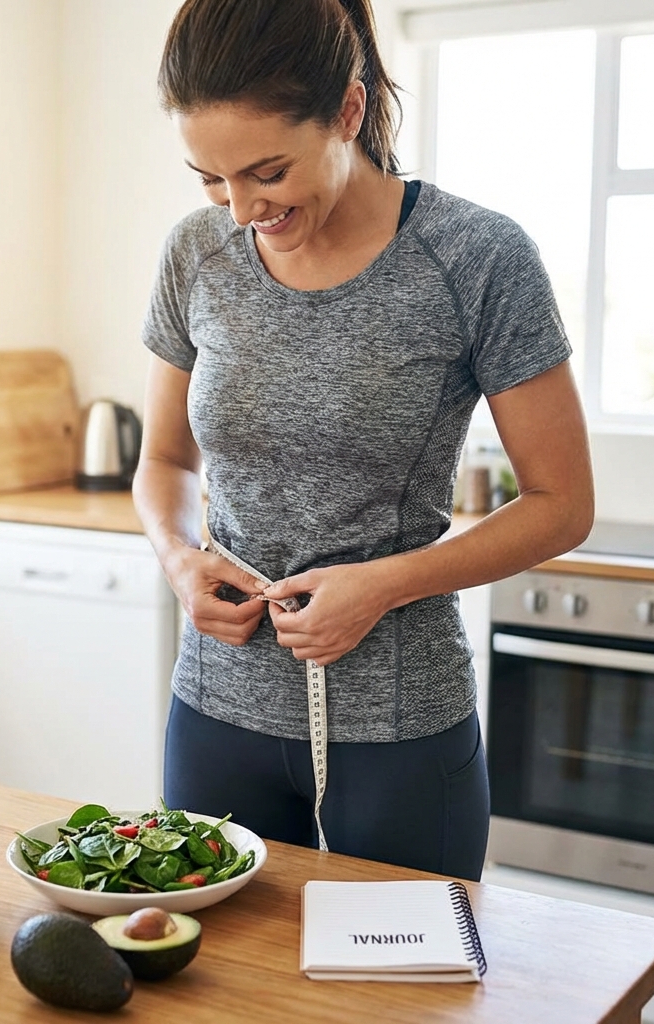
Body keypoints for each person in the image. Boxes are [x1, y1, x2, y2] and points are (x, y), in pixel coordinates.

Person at [132, 0, 594, 881]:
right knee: (214, 969)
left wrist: (381, 586)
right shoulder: (195, 255)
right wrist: (178, 558)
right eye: (211, 179)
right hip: (217, 708)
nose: (241, 210)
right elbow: (164, 461)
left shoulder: (477, 258)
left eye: (268, 172)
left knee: (407, 969)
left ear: (348, 111)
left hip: (401, 725)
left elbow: (562, 505)